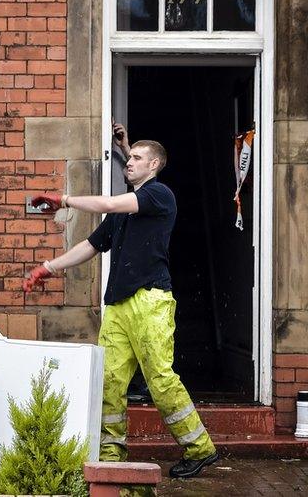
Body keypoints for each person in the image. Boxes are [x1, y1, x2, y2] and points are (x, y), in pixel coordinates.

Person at [23, 136, 218, 479]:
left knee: (159, 379)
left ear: (154, 165)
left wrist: (64, 199)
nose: (129, 162)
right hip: (117, 306)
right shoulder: (126, 210)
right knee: (109, 381)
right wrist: (49, 267)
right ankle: (111, 456)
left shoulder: (159, 195)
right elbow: (91, 245)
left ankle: (199, 448)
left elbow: (113, 204)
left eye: (137, 158)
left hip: (150, 300)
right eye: (130, 157)